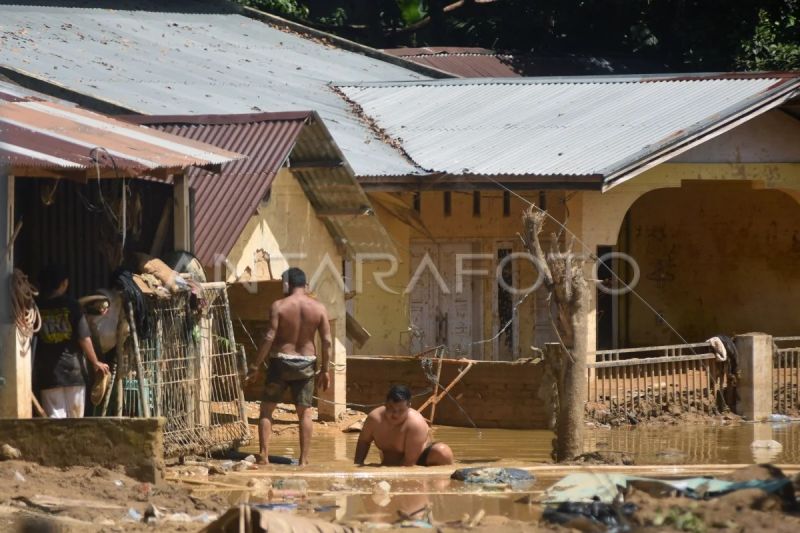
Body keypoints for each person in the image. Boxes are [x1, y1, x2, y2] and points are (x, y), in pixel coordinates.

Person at [245, 267, 331, 465]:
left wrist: (255, 366)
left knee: (267, 410)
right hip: (306, 364)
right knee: (305, 413)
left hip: (280, 363)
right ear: (305, 284)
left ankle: (264, 456)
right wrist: (326, 369)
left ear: (286, 284)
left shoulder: (279, 306)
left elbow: (269, 337)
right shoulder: (319, 308)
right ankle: (303, 460)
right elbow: (327, 341)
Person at [34, 264, 110, 418]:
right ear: (64, 283)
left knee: (54, 423)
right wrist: (95, 362)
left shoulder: (36, 307)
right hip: (73, 374)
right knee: (76, 421)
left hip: (48, 376)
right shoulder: (72, 306)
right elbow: (84, 338)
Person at [354, 385, 454, 467]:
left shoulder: (415, 423)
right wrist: (357, 466)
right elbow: (364, 441)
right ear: (385, 404)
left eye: (401, 410)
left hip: (419, 459)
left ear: (409, 406)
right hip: (390, 460)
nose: (395, 414)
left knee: (443, 451)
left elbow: (409, 463)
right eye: (391, 409)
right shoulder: (374, 419)